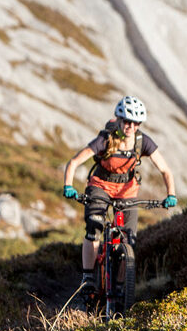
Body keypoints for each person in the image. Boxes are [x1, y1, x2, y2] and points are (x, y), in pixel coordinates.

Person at [62, 95, 178, 294]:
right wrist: (68, 186)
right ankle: (88, 277)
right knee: (94, 227)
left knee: (128, 240)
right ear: (119, 120)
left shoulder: (143, 142)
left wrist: (171, 194)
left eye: (135, 123)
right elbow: (74, 162)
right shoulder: (105, 139)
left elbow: (165, 170)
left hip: (127, 191)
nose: (130, 126)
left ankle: (120, 286)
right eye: (127, 121)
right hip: (100, 186)